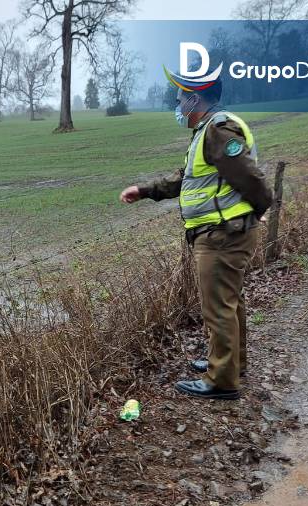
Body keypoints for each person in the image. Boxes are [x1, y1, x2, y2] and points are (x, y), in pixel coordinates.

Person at [119, 79, 272, 400]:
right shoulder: (208, 131)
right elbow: (186, 179)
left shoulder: (218, 129)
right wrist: (146, 191)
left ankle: (223, 381)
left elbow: (251, 179)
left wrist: (257, 210)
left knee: (218, 308)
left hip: (222, 234)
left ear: (195, 100)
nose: (178, 107)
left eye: (180, 100)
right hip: (225, 232)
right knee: (230, 302)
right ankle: (231, 364)